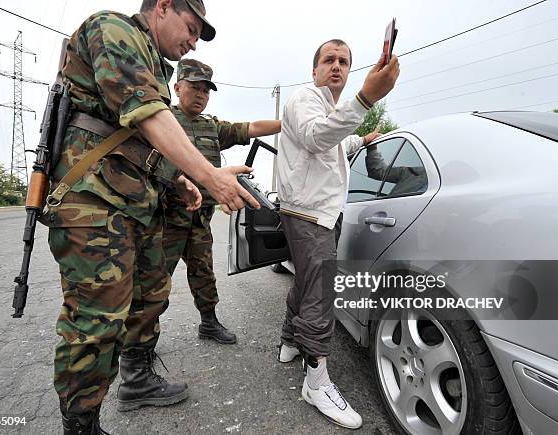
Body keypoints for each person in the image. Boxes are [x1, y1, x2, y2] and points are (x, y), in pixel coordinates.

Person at [43, 1, 260, 433]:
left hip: (136, 207)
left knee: (150, 296)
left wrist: (181, 181)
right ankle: (80, 423)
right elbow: (150, 117)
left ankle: (137, 379)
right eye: (191, 27)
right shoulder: (113, 30)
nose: (194, 40)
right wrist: (209, 176)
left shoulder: (153, 62)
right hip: (93, 203)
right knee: (96, 320)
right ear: (163, 7)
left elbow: (140, 141)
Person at [275, 39, 400, 429]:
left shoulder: (330, 109)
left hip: (316, 214)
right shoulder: (304, 99)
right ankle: (317, 384)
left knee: (306, 283)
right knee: (320, 293)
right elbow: (316, 137)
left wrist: (362, 139)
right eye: (329, 60)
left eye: (344, 61)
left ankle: (289, 341)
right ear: (314, 70)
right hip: (309, 214)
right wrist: (365, 99)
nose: (337, 66)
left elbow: (336, 141)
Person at [163, 59, 281, 344]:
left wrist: (290, 122)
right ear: (178, 87)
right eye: (195, 87)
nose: (201, 94)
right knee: (153, 283)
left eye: (206, 89)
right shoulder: (162, 121)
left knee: (204, 274)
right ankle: (139, 349)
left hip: (199, 221)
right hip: (163, 220)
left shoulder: (212, 127)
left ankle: (209, 323)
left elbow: (250, 127)